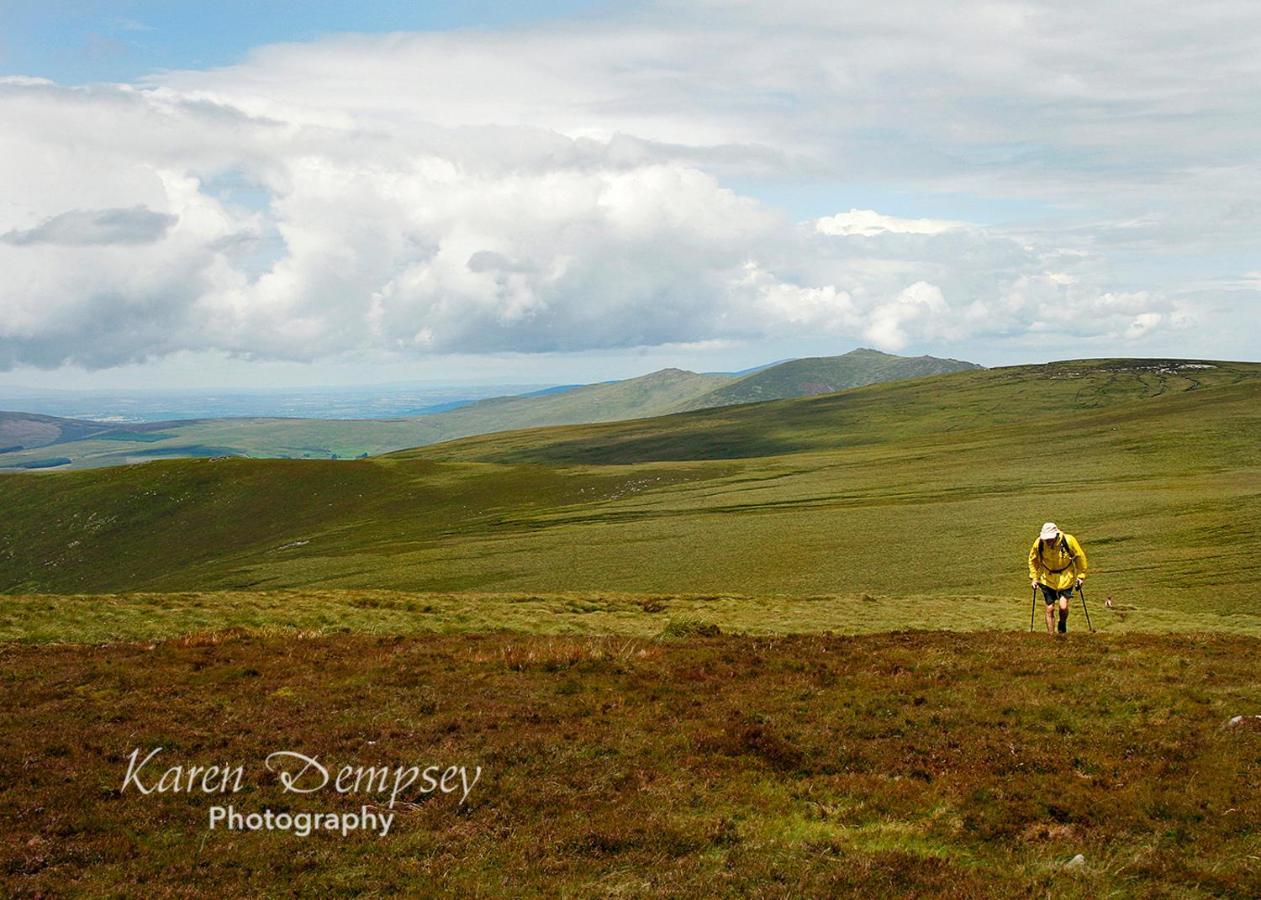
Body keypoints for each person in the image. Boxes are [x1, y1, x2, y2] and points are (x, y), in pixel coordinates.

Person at [1028, 522, 1087, 635]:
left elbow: (1079, 557)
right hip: (1047, 578)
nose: (1048, 541)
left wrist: (1081, 576)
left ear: (1055, 535)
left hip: (1066, 577)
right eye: (1046, 539)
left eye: (1050, 538)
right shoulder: (1039, 543)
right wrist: (1034, 578)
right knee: (1049, 608)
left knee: (1063, 607)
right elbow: (1033, 560)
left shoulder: (1068, 541)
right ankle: (1051, 636)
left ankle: (1062, 623)